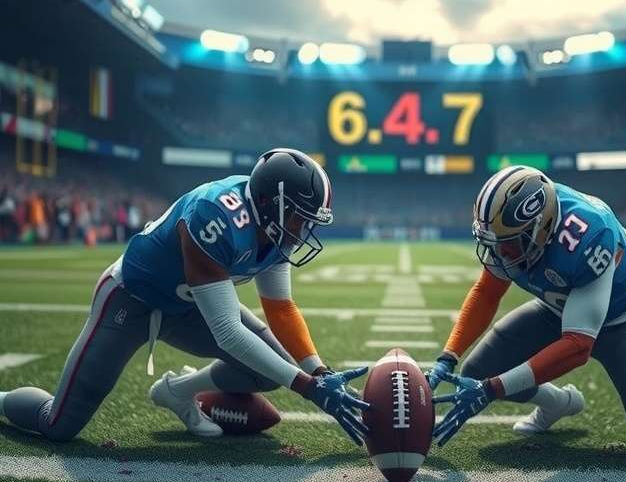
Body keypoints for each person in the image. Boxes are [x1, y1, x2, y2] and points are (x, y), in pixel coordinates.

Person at [0, 148, 369, 444]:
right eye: (300, 218)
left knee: (269, 369)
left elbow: (281, 308)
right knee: (59, 425)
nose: (303, 229)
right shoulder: (215, 216)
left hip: (189, 306)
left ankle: (178, 391)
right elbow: (227, 331)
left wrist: (320, 372)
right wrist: (307, 388)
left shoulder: (271, 226)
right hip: (132, 300)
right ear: (275, 204)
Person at [426, 166, 626, 455]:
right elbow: (487, 293)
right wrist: (447, 357)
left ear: (541, 228)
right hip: (557, 307)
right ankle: (557, 402)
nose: (501, 254)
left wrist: (492, 390)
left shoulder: (591, 235)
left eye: (509, 244)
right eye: (496, 244)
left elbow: (578, 346)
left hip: (622, 320)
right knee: (478, 371)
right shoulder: (518, 231)